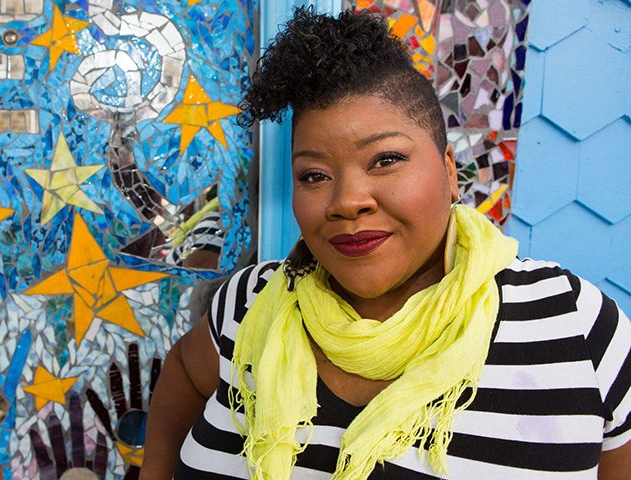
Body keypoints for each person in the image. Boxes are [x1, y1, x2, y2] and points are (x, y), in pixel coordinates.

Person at [141, 7, 631, 480]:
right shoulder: (251, 301)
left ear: (449, 171)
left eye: (385, 159)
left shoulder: (577, 327)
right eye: (314, 174)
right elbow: (184, 372)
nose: (347, 202)